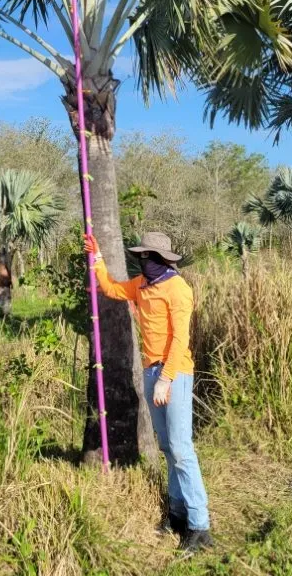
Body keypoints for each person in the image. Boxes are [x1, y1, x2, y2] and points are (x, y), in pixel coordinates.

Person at [83, 230, 212, 553]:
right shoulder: (141, 285)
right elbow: (112, 289)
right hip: (152, 371)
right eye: (142, 257)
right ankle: (177, 513)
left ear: (163, 260)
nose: (145, 262)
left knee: (182, 449)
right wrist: (97, 259)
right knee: (168, 447)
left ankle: (199, 525)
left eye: (151, 258)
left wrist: (167, 380)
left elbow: (181, 339)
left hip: (175, 373)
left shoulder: (178, 289)